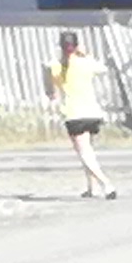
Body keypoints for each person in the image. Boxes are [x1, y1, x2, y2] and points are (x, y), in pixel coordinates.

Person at [44, 28, 111, 198]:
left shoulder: (55, 66)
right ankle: (91, 187)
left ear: (61, 46)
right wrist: (85, 54)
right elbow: (103, 68)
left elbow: (50, 91)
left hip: (74, 113)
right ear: (76, 45)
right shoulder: (86, 63)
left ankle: (106, 184)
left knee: (85, 153)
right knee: (88, 150)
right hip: (92, 112)